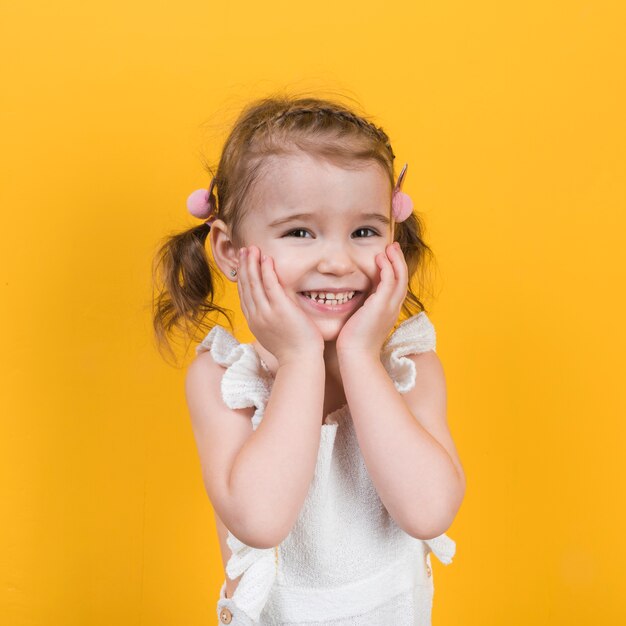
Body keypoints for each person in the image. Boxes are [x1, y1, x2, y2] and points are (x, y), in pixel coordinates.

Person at [152, 95, 466, 625]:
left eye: (364, 231)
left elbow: (429, 512)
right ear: (230, 251)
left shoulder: (409, 368)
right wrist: (300, 361)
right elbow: (260, 520)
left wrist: (361, 360)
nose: (338, 262)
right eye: (300, 232)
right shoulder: (225, 379)